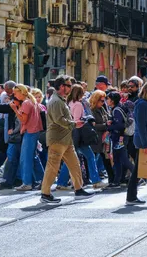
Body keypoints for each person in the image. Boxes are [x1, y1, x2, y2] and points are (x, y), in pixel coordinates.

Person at [40, 75, 93, 203]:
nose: (70, 88)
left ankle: (78, 189)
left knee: (75, 164)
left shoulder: (60, 100)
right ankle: (45, 194)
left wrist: (74, 124)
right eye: (68, 85)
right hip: (58, 139)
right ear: (62, 86)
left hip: (66, 139)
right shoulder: (56, 101)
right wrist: (75, 124)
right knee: (52, 166)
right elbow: (59, 120)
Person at [56, 84, 106, 190]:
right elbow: (77, 121)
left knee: (70, 159)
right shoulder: (78, 104)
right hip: (78, 134)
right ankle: (96, 181)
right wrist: (86, 118)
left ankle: (61, 182)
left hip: (70, 133)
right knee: (90, 157)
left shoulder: (68, 103)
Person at [12, 85, 45, 191]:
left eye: (16, 93)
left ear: (21, 93)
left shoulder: (26, 103)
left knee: (25, 158)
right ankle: (43, 180)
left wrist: (15, 110)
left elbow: (23, 120)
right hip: (34, 131)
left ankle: (27, 183)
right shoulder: (31, 101)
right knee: (33, 157)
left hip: (30, 132)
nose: (14, 95)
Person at [105, 91, 134, 189]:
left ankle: (137, 176)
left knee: (123, 159)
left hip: (119, 137)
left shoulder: (116, 110)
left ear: (112, 100)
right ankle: (116, 181)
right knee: (117, 159)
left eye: (108, 99)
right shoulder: (119, 107)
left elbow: (120, 125)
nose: (106, 101)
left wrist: (109, 126)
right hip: (120, 137)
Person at [90, 90, 113, 184]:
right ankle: (94, 180)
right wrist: (105, 125)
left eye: (104, 100)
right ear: (96, 100)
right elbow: (93, 125)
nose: (103, 103)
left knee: (105, 158)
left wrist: (109, 121)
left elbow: (108, 117)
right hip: (96, 139)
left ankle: (112, 178)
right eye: (102, 101)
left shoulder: (101, 109)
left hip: (104, 139)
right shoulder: (91, 110)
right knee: (92, 159)